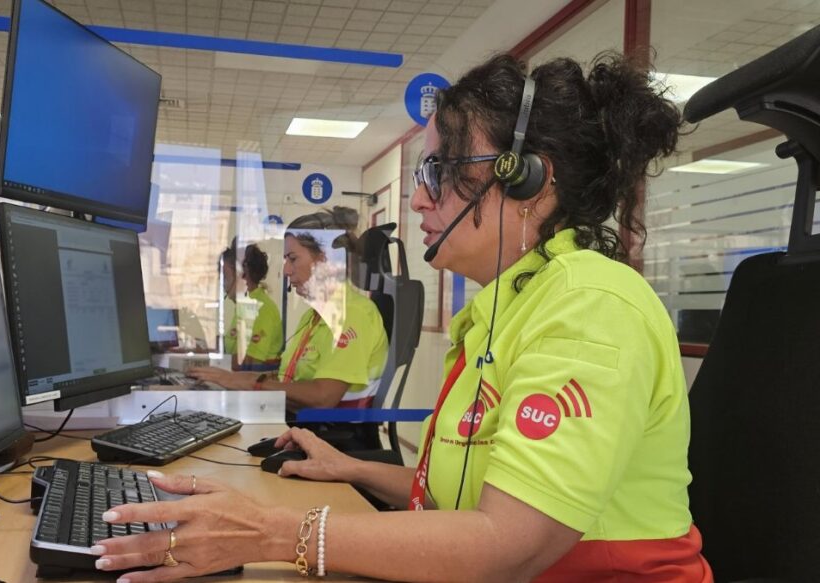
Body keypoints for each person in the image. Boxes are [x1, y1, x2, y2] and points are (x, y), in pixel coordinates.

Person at [90, 52, 713, 582]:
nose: (417, 196)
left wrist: (270, 532)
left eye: (438, 172)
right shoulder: (509, 306)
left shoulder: (591, 306)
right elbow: (468, 493)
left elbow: (510, 544)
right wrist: (352, 468)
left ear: (528, 183)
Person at [191, 207, 388, 414]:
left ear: (325, 260)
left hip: (328, 437)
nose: (285, 270)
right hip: (295, 423)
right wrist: (237, 381)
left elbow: (323, 398)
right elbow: (290, 381)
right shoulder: (312, 317)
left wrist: (251, 382)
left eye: (292, 259)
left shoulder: (353, 315)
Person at [220, 241, 283, 370]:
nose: (222, 284)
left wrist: (208, 362)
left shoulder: (259, 308)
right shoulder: (245, 305)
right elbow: (231, 347)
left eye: (225, 277)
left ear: (242, 274)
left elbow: (247, 362)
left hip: (252, 388)